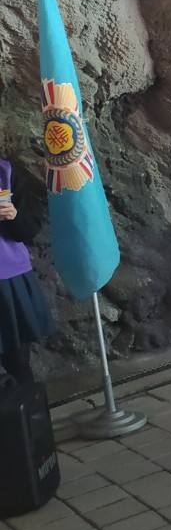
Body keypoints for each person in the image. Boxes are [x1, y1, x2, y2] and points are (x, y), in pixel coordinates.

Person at [0, 158, 56, 386]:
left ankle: (30, 418)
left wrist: (14, 216)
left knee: (18, 361)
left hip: (8, 279)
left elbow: (30, 228)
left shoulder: (6, 172)